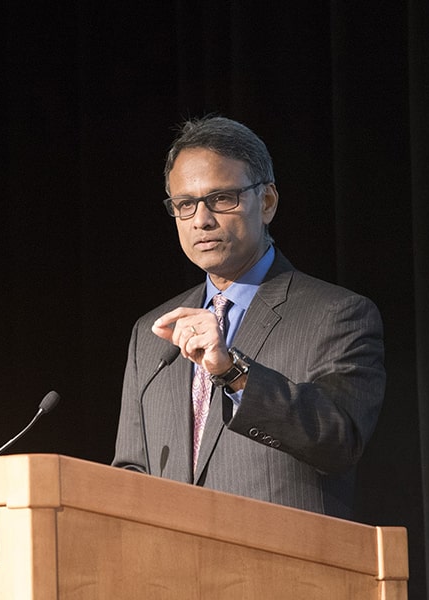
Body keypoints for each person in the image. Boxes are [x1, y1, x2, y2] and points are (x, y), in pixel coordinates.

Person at [112, 116, 385, 519]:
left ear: (268, 201)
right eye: (185, 205)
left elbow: (338, 443)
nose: (201, 220)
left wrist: (234, 373)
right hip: (173, 573)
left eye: (221, 198)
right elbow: (131, 471)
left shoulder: (337, 314)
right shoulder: (153, 333)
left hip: (284, 570)